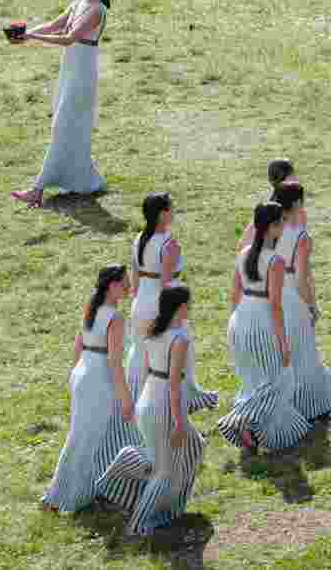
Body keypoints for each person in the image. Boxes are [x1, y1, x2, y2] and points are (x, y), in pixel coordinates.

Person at [96, 287, 206, 536]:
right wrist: (179, 423)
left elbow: (145, 371)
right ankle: (139, 524)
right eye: (189, 303)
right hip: (165, 404)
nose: (191, 307)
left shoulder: (152, 332)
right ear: (180, 307)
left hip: (148, 399)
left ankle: (171, 506)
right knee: (163, 472)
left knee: (195, 445)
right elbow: (175, 387)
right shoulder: (180, 340)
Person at [11, 0, 110, 207]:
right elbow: (55, 25)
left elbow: (68, 38)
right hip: (70, 70)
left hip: (82, 73)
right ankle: (86, 181)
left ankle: (37, 189)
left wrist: (33, 37)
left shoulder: (98, 10)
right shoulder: (78, 4)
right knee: (66, 126)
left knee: (63, 126)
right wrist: (26, 33)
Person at [41, 265, 138, 512]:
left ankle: (98, 489)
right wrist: (126, 398)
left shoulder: (91, 310)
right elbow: (115, 362)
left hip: (84, 374)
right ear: (112, 286)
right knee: (86, 439)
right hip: (99, 380)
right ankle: (58, 496)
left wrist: (76, 377)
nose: (128, 288)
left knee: (90, 435)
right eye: (125, 284)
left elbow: (78, 346)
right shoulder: (115, 319)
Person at [218, 203, 311, 453]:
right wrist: (283, 343)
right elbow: (276, 306)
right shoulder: (276, 261)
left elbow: (234, 294)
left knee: (255, 378)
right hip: (262, 321)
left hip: (241, 318)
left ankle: (262, 431)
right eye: (280, 222)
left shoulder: (244, 253)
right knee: (280, 379)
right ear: (271, 227)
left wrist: (235, 323)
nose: (284, 226)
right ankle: (241, 420)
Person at [125, 193, 217, 413]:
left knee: (140, 352)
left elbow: (135, 281)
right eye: (171, 208)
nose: (174, 211)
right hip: (162, 305)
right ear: (162, 213)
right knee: (173, 355)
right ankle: (179, 399)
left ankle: (137, 397)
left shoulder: (139, 238)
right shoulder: (169, 244)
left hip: (140, 304)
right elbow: (166, 284)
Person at [271, 183, 331, 421]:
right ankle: (307, 404)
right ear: (297, 204)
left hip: (269, 294)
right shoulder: (301, 237)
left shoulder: (269, 229)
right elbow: (301, 278)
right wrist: (311, 305)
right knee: (303, 350)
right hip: (291, 297)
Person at [238, 158, 306, 251]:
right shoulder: (294, 210)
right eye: (292, 174)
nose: (296, 178)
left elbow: (242, 243)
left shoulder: (268, 208)